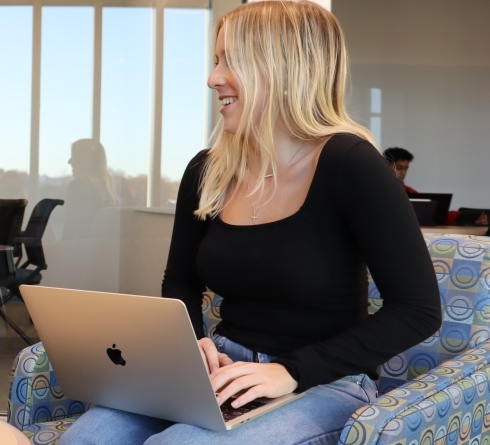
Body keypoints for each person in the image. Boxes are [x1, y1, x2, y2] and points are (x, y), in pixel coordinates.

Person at [60, 2, 440, 444]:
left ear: (284, 68)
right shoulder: (207, 170)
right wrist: (189, 342)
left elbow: (418, 310)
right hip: (220, 369)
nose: (213, 77)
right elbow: (179, 279)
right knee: (84, 440)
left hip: (321, 382)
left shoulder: (352, 165)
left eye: (230, 61)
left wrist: (289, 371)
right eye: (215, 61)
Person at [62, 139, 118, 240]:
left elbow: (69, 232)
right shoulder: (107, 189)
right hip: (99, 252)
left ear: (84, 160)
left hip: (81, 252)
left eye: (74, 156)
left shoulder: (77, 186)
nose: (69, 161)